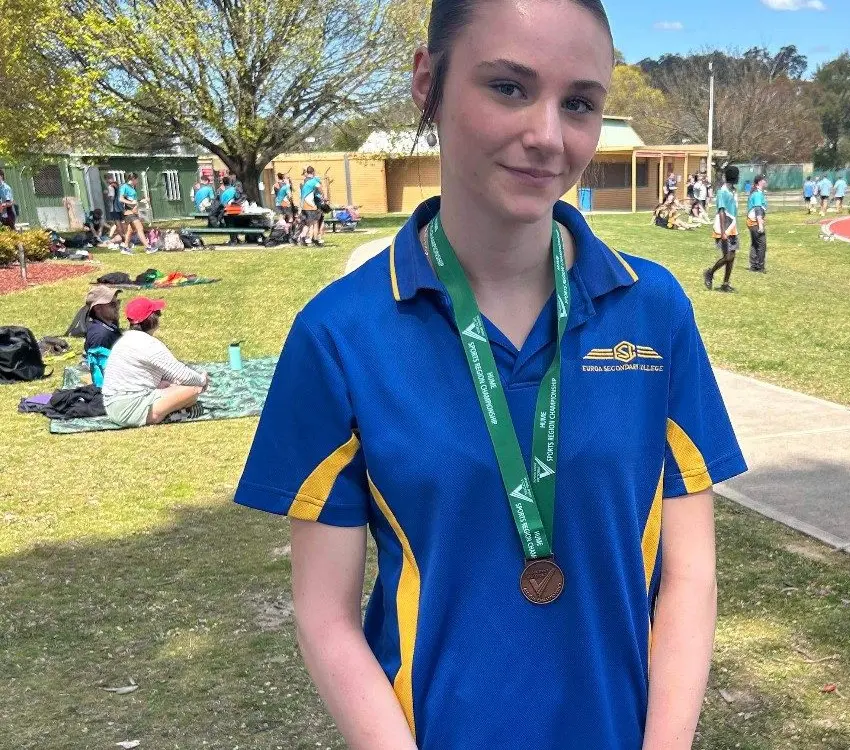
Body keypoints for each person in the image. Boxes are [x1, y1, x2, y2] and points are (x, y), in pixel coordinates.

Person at [232, 0, 746, 746]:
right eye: (508, 87)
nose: (545, 135)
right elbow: (325, 615)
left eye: (578, 103)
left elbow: (690, 575)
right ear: (426, 81)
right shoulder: (339, 334)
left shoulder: (652, 312)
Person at [101, 297, 209, 427]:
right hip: (130, 409)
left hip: (113, 407)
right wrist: (202, 380)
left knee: (173, 386)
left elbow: (167, 373)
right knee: (193, 390)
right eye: (157, 314)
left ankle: (171, 410)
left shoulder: (125, 339)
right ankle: (166, 415)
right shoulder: (148, 344)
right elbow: (182, 374)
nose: (159, 317)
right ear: (151, 319)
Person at [703, 165, 740, 292]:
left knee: (732, 256)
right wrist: (724, 232)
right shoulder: (722, 192)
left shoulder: (733, 191)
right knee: (728, 256)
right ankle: (710, 272)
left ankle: (725, 283)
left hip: (733, 227)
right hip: (724, 228)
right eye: (737, 175)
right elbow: (722, 211)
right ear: (733, 177)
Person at [119, 173, 155, 254]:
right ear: (132, 179)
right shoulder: (124, 187)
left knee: (130, 230)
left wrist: (142, 200)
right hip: (128, 212)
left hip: (134, 212)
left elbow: (134, 200)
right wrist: (131, 203)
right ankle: (148, 248)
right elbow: (121, 199)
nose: (138, 181)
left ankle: (125, 247)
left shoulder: (133, 187)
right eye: (137, 179)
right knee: (140, 228)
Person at [83, 285, 123, 354]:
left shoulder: (109, 325)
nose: (117, 307)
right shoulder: (100, 335)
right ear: (98, 309)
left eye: (118, 302)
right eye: (112, 304)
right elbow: (98, 363)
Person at [298, 166, 325, 246]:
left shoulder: (305, 182)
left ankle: (302, 237)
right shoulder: (314, 181)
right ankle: (315, 239)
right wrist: (323, 196)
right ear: (313, 172)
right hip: (310, 205)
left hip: (303, 205)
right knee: (315, 222)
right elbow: (320, 188)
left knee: (308, 223)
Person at [746, 174, 768, 273]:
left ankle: (753, 265)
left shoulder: (756, 193)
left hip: (752, 222)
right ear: (759, 182)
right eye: (764, 180)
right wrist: (760, 225)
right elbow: (758, 210)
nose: (765, 181)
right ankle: (759, 266)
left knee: (755, 244)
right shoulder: (757, 194)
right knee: (762, 244)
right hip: (755, 222)